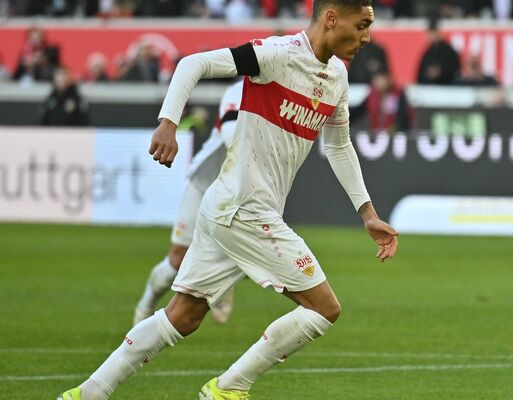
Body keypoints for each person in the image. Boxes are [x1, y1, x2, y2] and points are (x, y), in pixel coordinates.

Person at [57, 1, 399, 399]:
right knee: (324, 308)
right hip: (243, 210)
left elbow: (339, 147)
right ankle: (229, 388)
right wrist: (168, 123)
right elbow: (191, 64)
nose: (367, 37)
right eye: (362, 25)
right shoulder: (276, 55)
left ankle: (89, 393)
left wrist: (367, 213)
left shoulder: (337, 75)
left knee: (183, 316)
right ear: (331, 18)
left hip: (229, 207)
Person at [132, 80, 244, 327]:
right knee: (177, 260)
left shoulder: (287, 97)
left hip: (241, 190)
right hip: (204, 182)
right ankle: (146, 302)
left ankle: (224, 276)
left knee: (257, 252)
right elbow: (235, 144)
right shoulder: (240, 90)